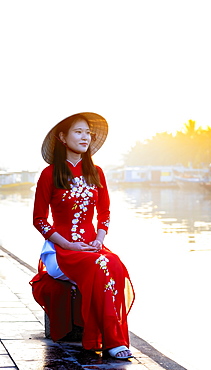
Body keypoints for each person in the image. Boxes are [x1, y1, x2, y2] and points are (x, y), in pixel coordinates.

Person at [30, 112, 135, 360]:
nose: (85, 137)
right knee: (100, 265)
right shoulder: (49, 174)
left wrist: (99, 238)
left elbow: (105, 213)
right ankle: (111, 341)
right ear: (62, 137)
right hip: (61, 250)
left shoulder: (96, 172)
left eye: (88, 132)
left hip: (92, 247)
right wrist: (67, 244)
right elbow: (39, 220)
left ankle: (108, 337)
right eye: (78, 132)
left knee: (115, 264)